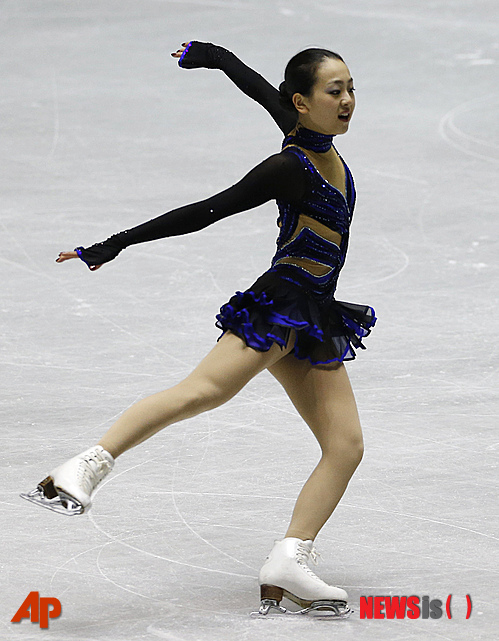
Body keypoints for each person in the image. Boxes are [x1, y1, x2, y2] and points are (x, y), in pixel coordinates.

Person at [21, 41, 376, 618]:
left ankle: (289, 560)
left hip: (314, 315)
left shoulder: (311, 136)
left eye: (351, 89)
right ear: (302, 102)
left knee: (345, 446)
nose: (347, 101)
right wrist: (115, 243)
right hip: (281, 304)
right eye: (334, 91)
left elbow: (259, 88)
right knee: (202, 392)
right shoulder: (290, 166)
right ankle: (79, 471)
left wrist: (216, 56)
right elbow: (207, 210)